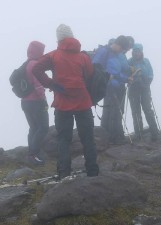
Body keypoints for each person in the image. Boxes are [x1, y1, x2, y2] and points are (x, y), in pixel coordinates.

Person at [32, 24, 99, 179]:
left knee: (64, 139)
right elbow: (90, 75)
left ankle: (64, 173)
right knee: (88, 138)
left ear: (59, 39)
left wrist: (51, 84)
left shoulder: (53, 56)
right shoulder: (83, 56)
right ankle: (93, 171)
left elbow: (36, 68)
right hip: (83, 101)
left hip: (62, 103)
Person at [92, 35, 130, 144]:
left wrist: (126, 79)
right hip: (107, 87)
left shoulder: (114, 54)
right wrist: (106, 76)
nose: (122, 52)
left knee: (113, 111)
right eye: (122, 49)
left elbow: (116, 73)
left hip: (115, 86)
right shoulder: (104, 52)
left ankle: (110, 137)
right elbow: (94, 67)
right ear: (118, 44)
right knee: (114, 111)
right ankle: (113, 138)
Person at [22, 41, 49, 165]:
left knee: (33, 127)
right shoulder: (35, 65)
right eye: (41, 51)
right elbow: (38, 85)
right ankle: (33, 154)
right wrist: (43, 99)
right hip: (36, 102)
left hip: (25, 102)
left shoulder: (26, 64)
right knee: (43, 127)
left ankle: (31, 153)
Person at [128, 43, 159, 141]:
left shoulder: (146, 61)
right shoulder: (129, 62)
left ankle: (155, 133)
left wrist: (147, 81)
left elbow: (151, 74)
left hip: (145, 88)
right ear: (133, 52)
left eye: (138, 51)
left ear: (141, 52)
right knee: (136, 112)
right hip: (133, 89)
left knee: (148, 110)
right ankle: (139, 135)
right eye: (135, 51)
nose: (137, 53)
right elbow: (126, 74)